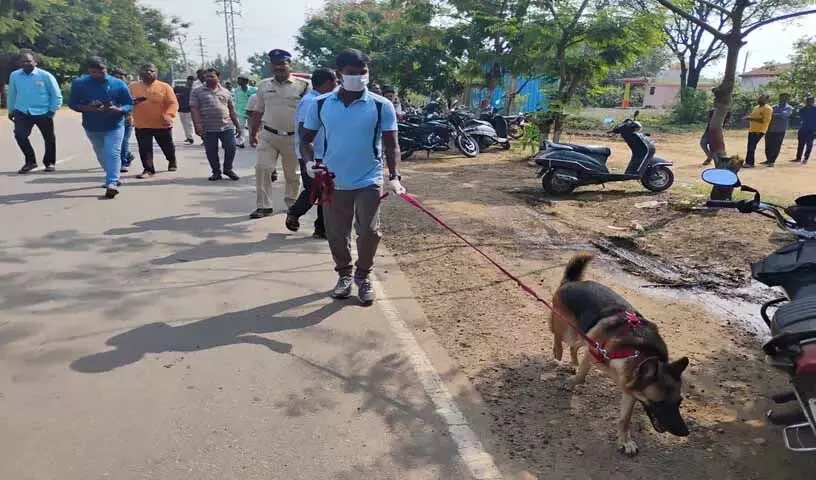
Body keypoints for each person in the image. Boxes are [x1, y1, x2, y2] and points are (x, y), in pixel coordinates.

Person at [301, 49, 404, 305]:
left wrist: (395, 176)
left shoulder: (381, 105)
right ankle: (344, 275)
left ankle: (363, 275)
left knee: (369, 231)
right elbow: (305, 140)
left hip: (368, 179)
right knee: (337, 234)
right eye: (352, 74)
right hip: (333, 179)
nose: (358, 78)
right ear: (339, 75)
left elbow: (392, 145)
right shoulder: (321, 104)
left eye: (363, 73)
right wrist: (310, 162)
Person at [249, 49, 310, 218]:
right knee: (262, 168)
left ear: (290, 65)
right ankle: (263, 206)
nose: (279, 67)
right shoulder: (263, 85)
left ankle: (291, 204)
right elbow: (258, 110)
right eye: (275, 64)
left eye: (282, 64)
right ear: (271, 66)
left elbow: (311, 111)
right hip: (269, 135)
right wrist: (253, 133)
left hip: (293, 137)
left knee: (292, 174)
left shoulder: (304, 85)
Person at [68, 56, 133, 198]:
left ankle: (112, 182)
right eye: (94, 72)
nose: (98, 74)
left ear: (106, 68)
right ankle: (111, 173)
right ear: (89, 71)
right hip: (92, 126)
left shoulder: (118, 84)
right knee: (101, 154)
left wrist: (120, 109)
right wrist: (89, 108)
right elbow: (73, 104)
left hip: (114, 124)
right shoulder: (79, 84)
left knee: (113, 152)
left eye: (101, 71)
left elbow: (129, 103)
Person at [285, 68, 336, 237]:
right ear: (328, 82)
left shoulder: (323, 100)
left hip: (323, 153)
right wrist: (310, 159)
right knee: (314, 189)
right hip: (311, 154)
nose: (337, 86)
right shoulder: (310, 101)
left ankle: (321, 227)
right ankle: (295, 213)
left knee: (324, 189)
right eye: (335, 82)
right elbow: (303, 132)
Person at [7, 51, 62, 174]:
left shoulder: (45, 75)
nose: (26, 63)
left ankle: (49, 162)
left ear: (35, 62)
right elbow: (12, 94)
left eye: (29, 61)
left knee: (49, 138)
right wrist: (11, 110)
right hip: (22, 111)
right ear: (19, 63)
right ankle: (30, 161)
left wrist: (52, 110)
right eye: (23, 61)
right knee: (20, 136)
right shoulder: (14, 75)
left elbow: (56, 94)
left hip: (43, 111)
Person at [190, 68, 242, 181]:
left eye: (212, 76)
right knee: (211, 150)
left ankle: (228, 169)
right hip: (208, 127)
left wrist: (237, 125)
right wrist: (197, 125)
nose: (208, 78)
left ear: (218, 77)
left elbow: (232, 109)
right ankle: (216, 172)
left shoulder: (226, 92)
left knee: (231, 147)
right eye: (206, 76)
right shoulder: (197, 91)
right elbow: (194, 109)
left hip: (226, 125)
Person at [129, 63, 179, 179]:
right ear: (140, 73)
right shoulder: (132, 86)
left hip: (162, 123)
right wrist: (132, 103)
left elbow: (173, 103)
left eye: (152, 71)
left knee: (167, 147)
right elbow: (126, 101)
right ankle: (148, 169)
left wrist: (169, 115)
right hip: (141, 124)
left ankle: (171, 160)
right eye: (145, 70)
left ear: (156, 73)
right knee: (144, 148)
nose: (148, 73)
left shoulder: (165, 87)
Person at [110, 69, 136, 172]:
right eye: (117, 77)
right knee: (114, 143)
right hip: (112, 119)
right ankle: (128, 155)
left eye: (121, 77)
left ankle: (124, 162)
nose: (119, 79)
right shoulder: (109, 87)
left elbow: (132, 103)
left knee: (124, 141)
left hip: (126, 118)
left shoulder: (130, 88)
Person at [761, 93, 793, 167]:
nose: (783, 99)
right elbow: (767, 114)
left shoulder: (789, 108)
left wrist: (773, 115)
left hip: (780, 130)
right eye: (782, 97)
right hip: (770, 129)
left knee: (776, 146)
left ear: (788, 99)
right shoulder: (774, 107)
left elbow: (784, 115)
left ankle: (772, 161)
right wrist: (776, 115)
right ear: (779, 98)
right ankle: (768, 159)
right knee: (768, 145)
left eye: (785, 98)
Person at [742, 94, 773, 168]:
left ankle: (750, 163)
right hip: (752, 129)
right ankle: (749, 162)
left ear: (766, 100)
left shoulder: (768, 109)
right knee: (750, 146)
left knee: (752, 146)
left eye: (761, 99)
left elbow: (764, 120)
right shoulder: (756, 107)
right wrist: (749, 118)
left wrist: (750, 119)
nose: (759, 100)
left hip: (759, 130)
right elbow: (754, 117)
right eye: (759, 98)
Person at [232, 76, 257, 148]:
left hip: (251, 111)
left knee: (251, 127)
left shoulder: (254, 90)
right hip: (240, 111)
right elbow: (235, 100)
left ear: (246, 82)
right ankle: (241, 142)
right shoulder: (236, 90)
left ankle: (252, 141)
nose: (238, 82)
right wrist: (235, 111)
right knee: (241, 127)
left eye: (240, 80)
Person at [792, 96, 816, 165]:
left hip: (812, 130)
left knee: (809, 144)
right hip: (803, 129)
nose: (810, 102)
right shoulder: (802, 109)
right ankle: (798, 158)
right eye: (808, 101)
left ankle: (806, 158)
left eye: (812, 101)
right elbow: (800, 119)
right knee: (800, 144)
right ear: (806, 102)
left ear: (813, 101)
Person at [175, 75, 196, 144]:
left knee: (189, 124)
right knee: (184, 124)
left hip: (189, 109)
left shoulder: (194, 90)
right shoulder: (181, 89)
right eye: (189, 81)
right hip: (181, 109)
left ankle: (190, 137)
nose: (190, 83)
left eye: (191, 81)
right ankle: (188, 137)